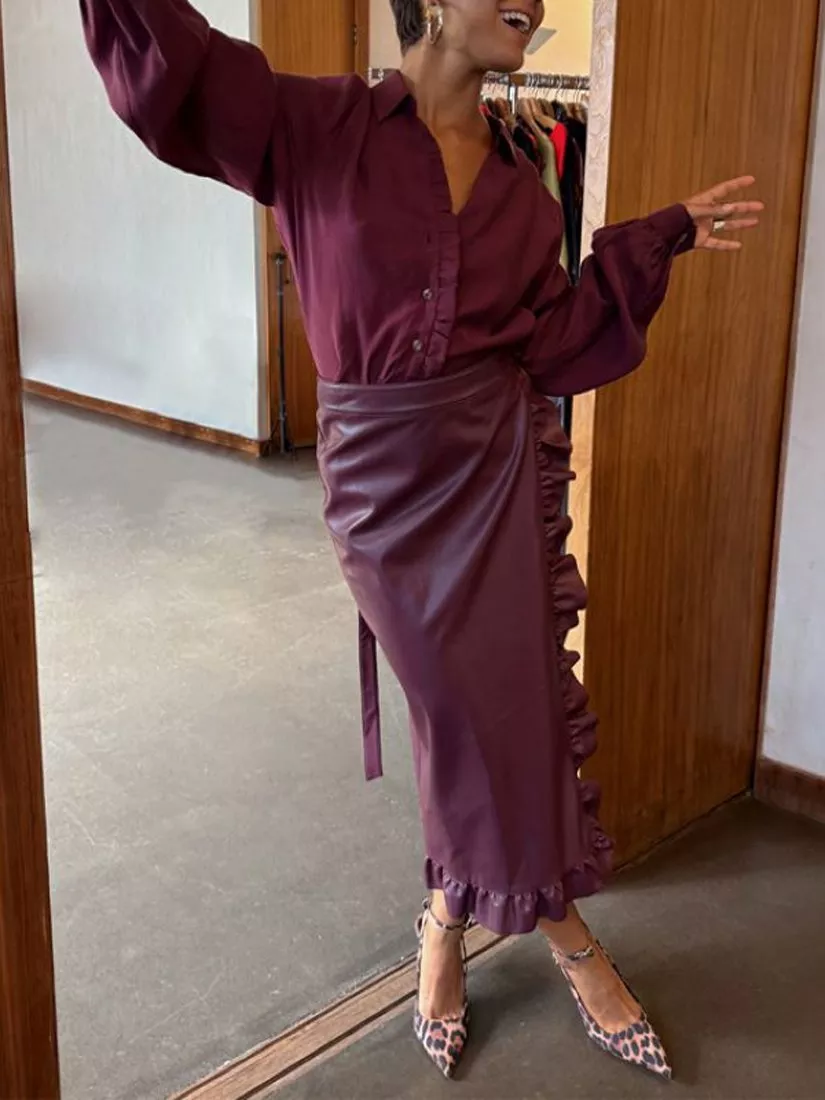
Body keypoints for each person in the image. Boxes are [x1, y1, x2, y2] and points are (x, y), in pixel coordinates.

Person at [81, 0, 762, 1081]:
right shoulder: (313, 126)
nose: (531, 0)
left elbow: (554, 341)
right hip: (383, 498)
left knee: (515, 711)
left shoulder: (523, 187)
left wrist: (655, 237)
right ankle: (549, 933)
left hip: (493, 474)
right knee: (460, 715)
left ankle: (457, 920)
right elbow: (184, 81)